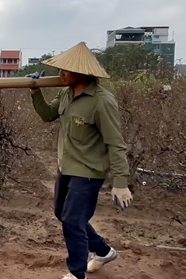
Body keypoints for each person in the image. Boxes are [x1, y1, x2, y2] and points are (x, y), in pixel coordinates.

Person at [27, 42, 132, 279]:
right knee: (61, 213)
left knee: (73, 221)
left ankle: (77, 273)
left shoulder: (102, 101)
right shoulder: (65, 93)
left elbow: (115, 143)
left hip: (89, 171)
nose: (60, 73)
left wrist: (121, 182)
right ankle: (103, 251)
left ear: (83, 73)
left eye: (66, 70)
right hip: (67, 167)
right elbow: (47, 115)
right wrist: (35, 92)